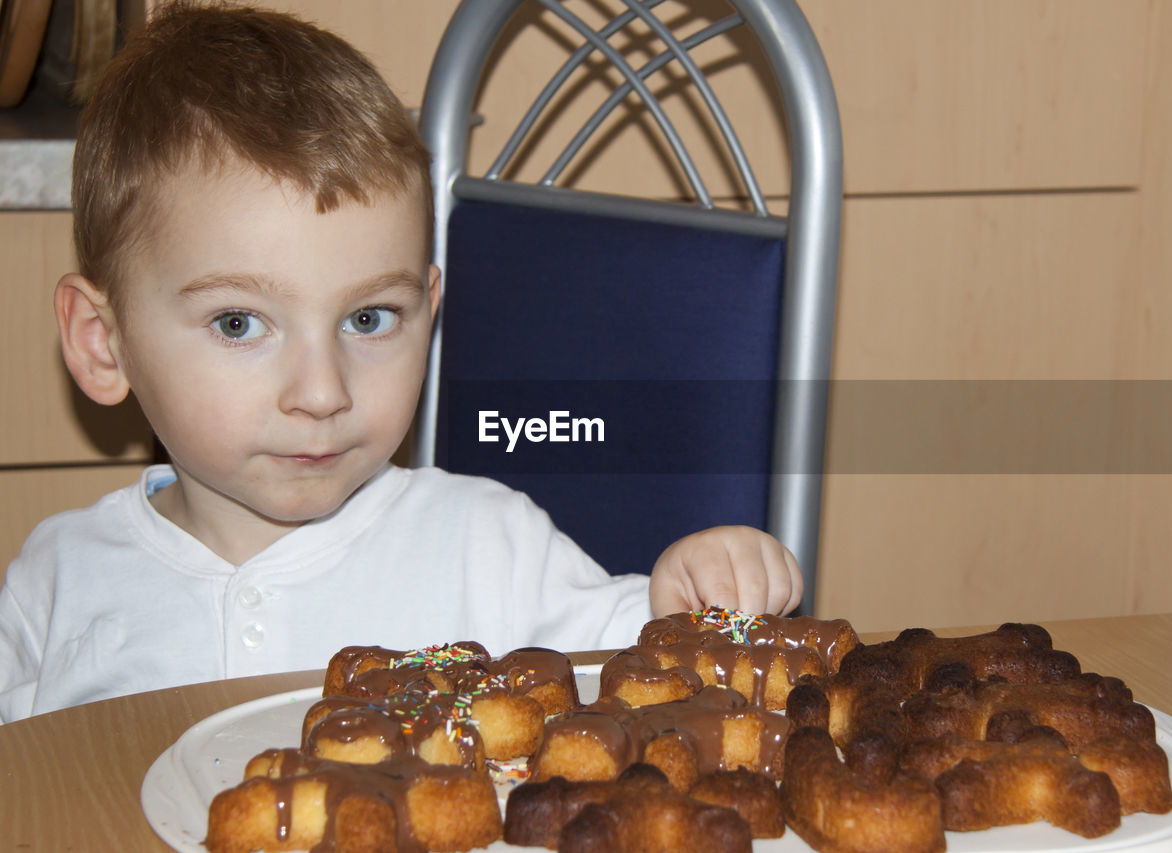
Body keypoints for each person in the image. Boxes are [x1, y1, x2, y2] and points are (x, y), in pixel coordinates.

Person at [0, 2, 802, 723]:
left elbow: (650, 675)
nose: (322, 391)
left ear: (430, 308)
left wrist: (697, 597)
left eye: (369, 317)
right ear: (104, 343)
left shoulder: (487, 545)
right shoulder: (58, 581)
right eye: (239, 322)